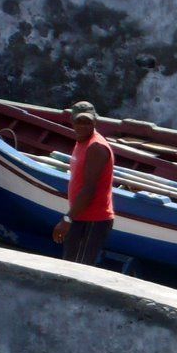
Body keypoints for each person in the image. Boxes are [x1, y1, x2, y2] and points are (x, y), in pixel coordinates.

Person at [52, 102, 115, 266]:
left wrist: (67, 219)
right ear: (72, 122)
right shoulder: (81, 141)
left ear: (95, 122)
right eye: (80, 121)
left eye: (88, 122)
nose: (84, 126)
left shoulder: (96, 147)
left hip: (92, 220)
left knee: (77, 270)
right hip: (80, 217)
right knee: (69, 264)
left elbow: (89, 190)